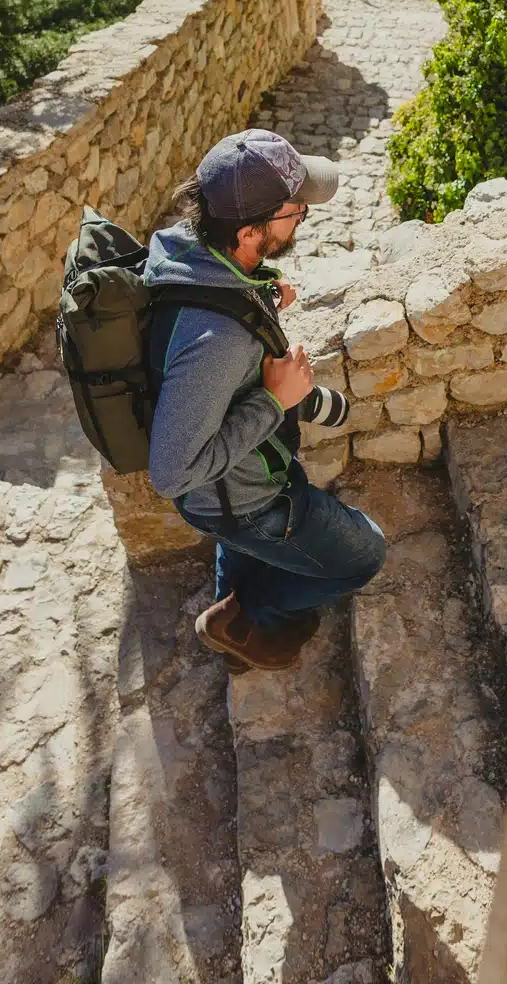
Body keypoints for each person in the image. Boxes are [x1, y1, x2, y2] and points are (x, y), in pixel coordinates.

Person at [144, 128, 386, 671]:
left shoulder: (184, 249)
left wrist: (259, 297)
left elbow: (206, 313)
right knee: (365, 554)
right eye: (295, 210)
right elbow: (170, 472)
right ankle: (247, 616)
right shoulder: (219, 341)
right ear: (253, 230)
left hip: (232, 493)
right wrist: (276, 402)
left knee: (244, 548)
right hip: (246, 501)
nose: (303, 215)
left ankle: (237, 645)